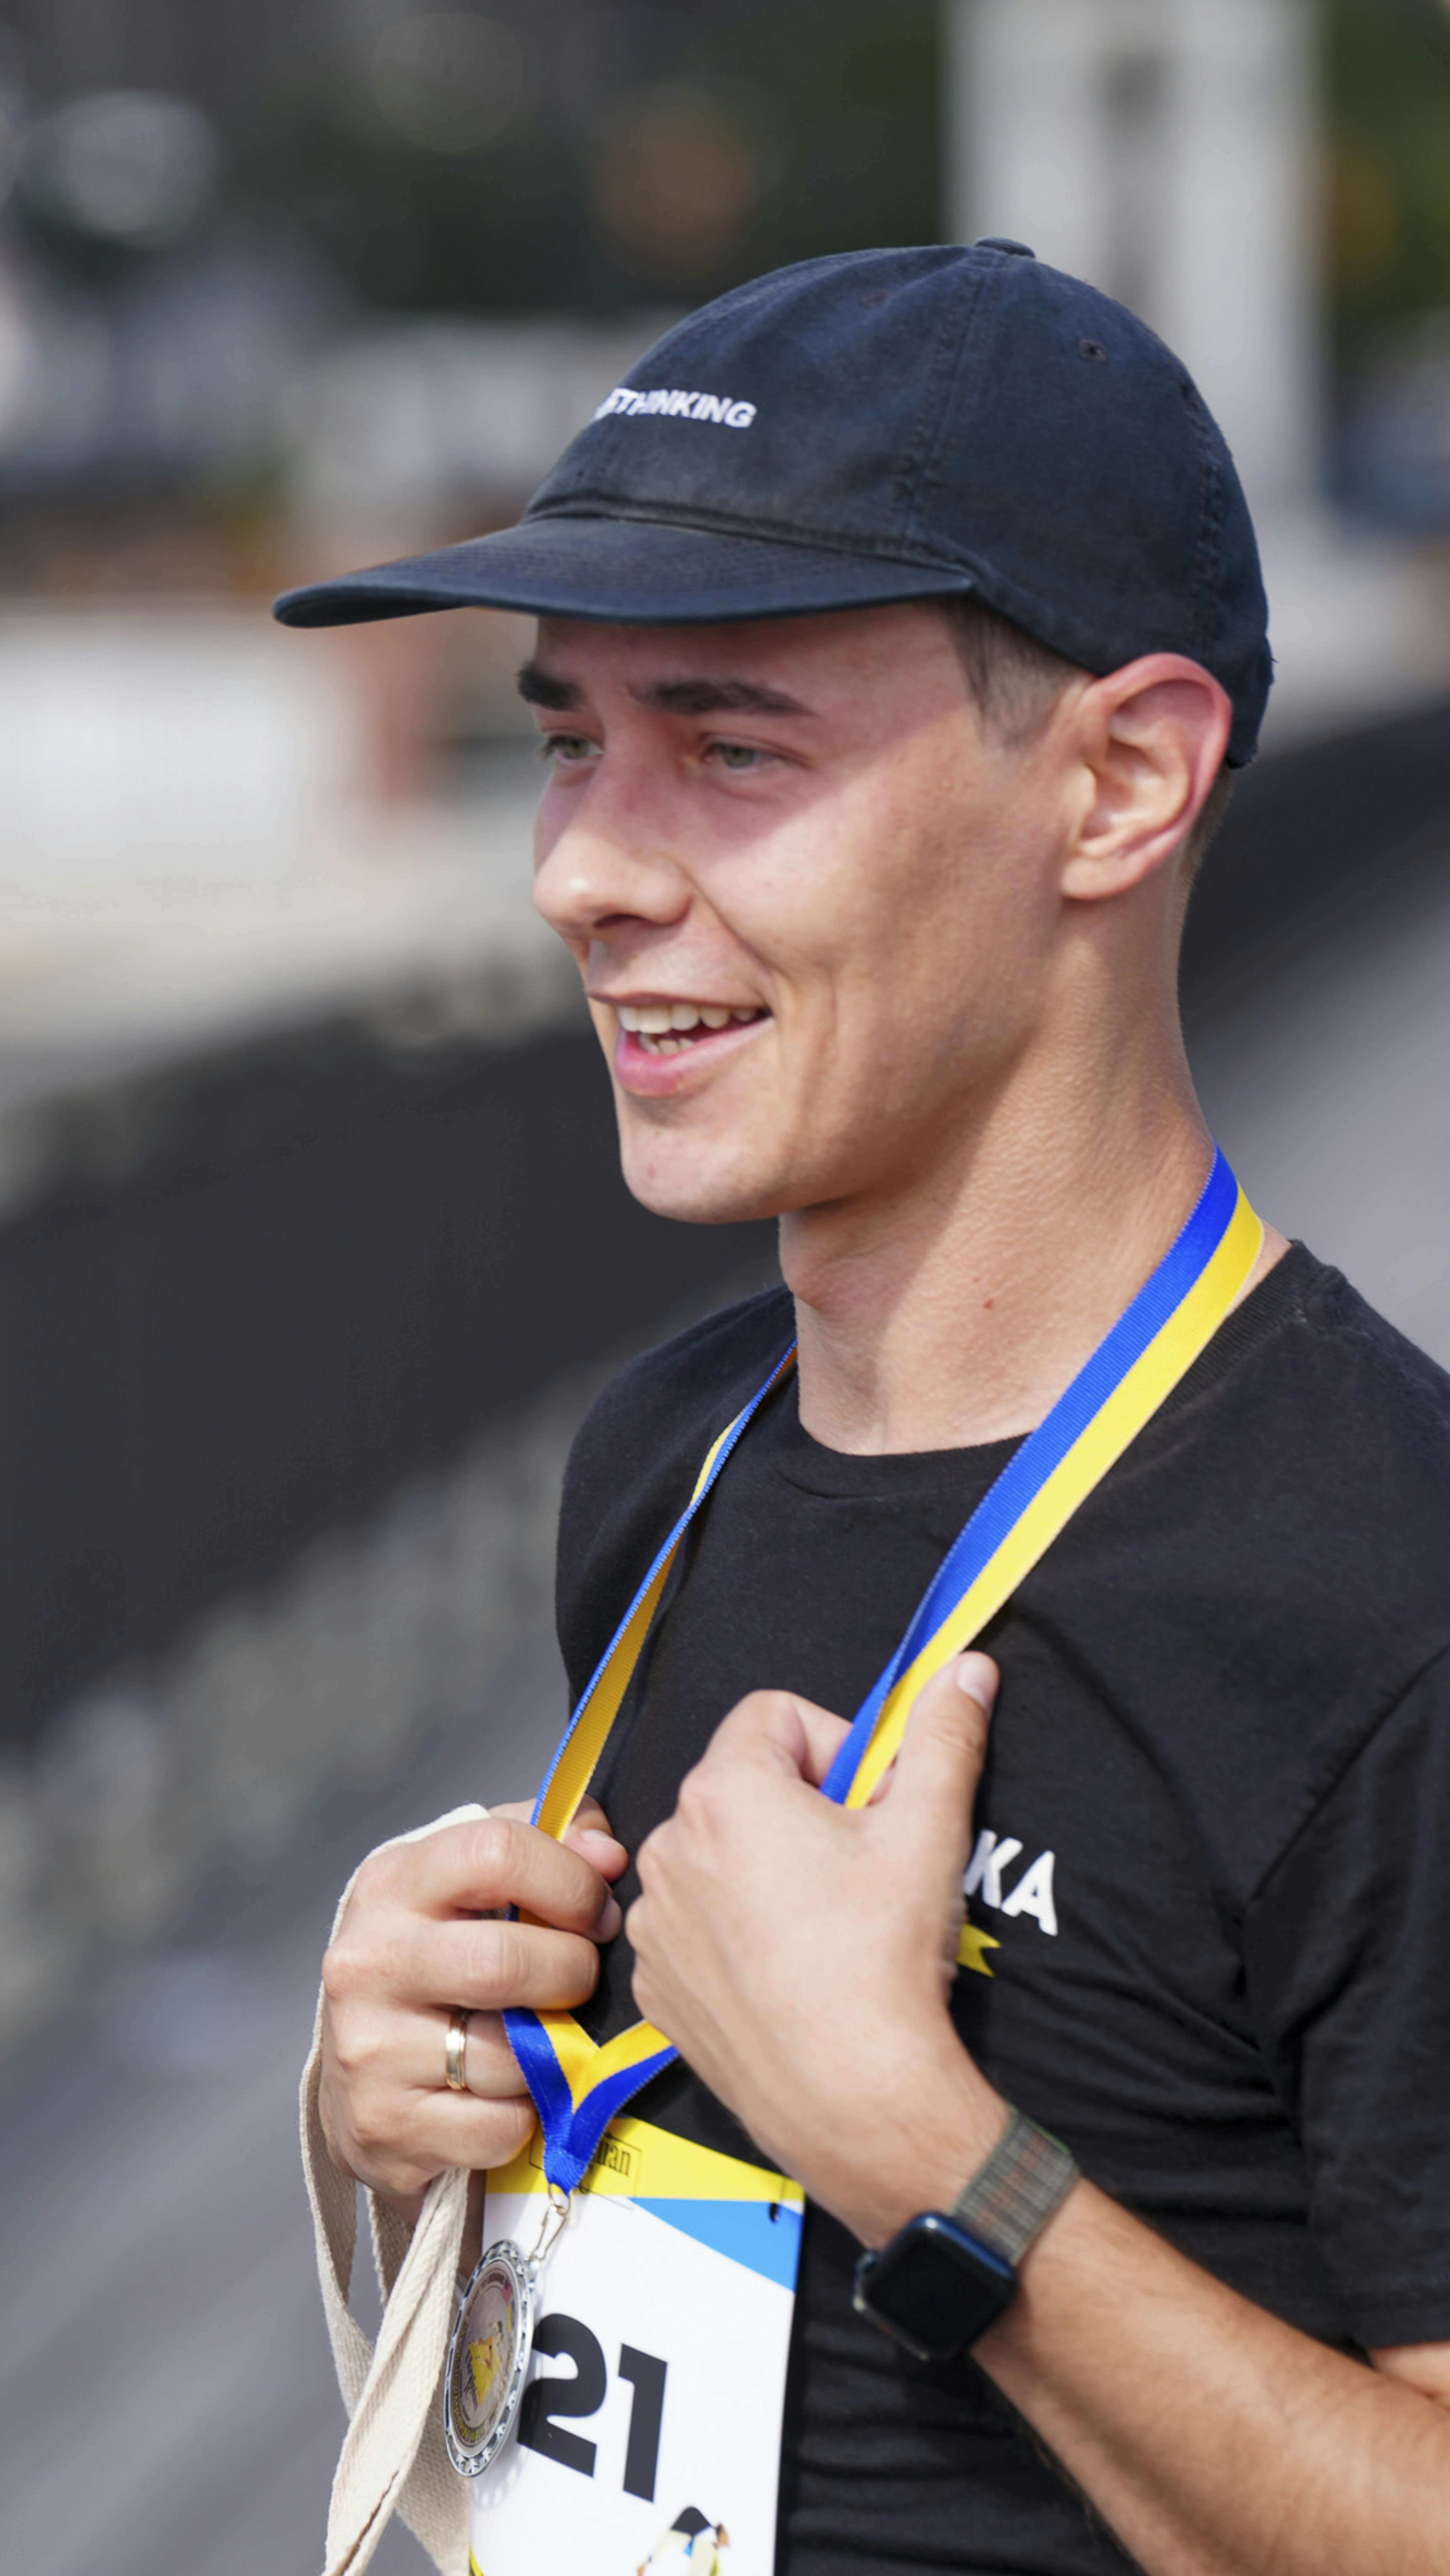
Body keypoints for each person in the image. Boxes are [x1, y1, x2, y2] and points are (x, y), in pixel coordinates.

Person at [277, 241, 1450, 2576]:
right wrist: (416, 2099)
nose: (585, 873)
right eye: (565, 740)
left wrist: (927, 2154)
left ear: (1120, 779)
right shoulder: (674, 1456)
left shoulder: (1387, 1607)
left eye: (728, 748)